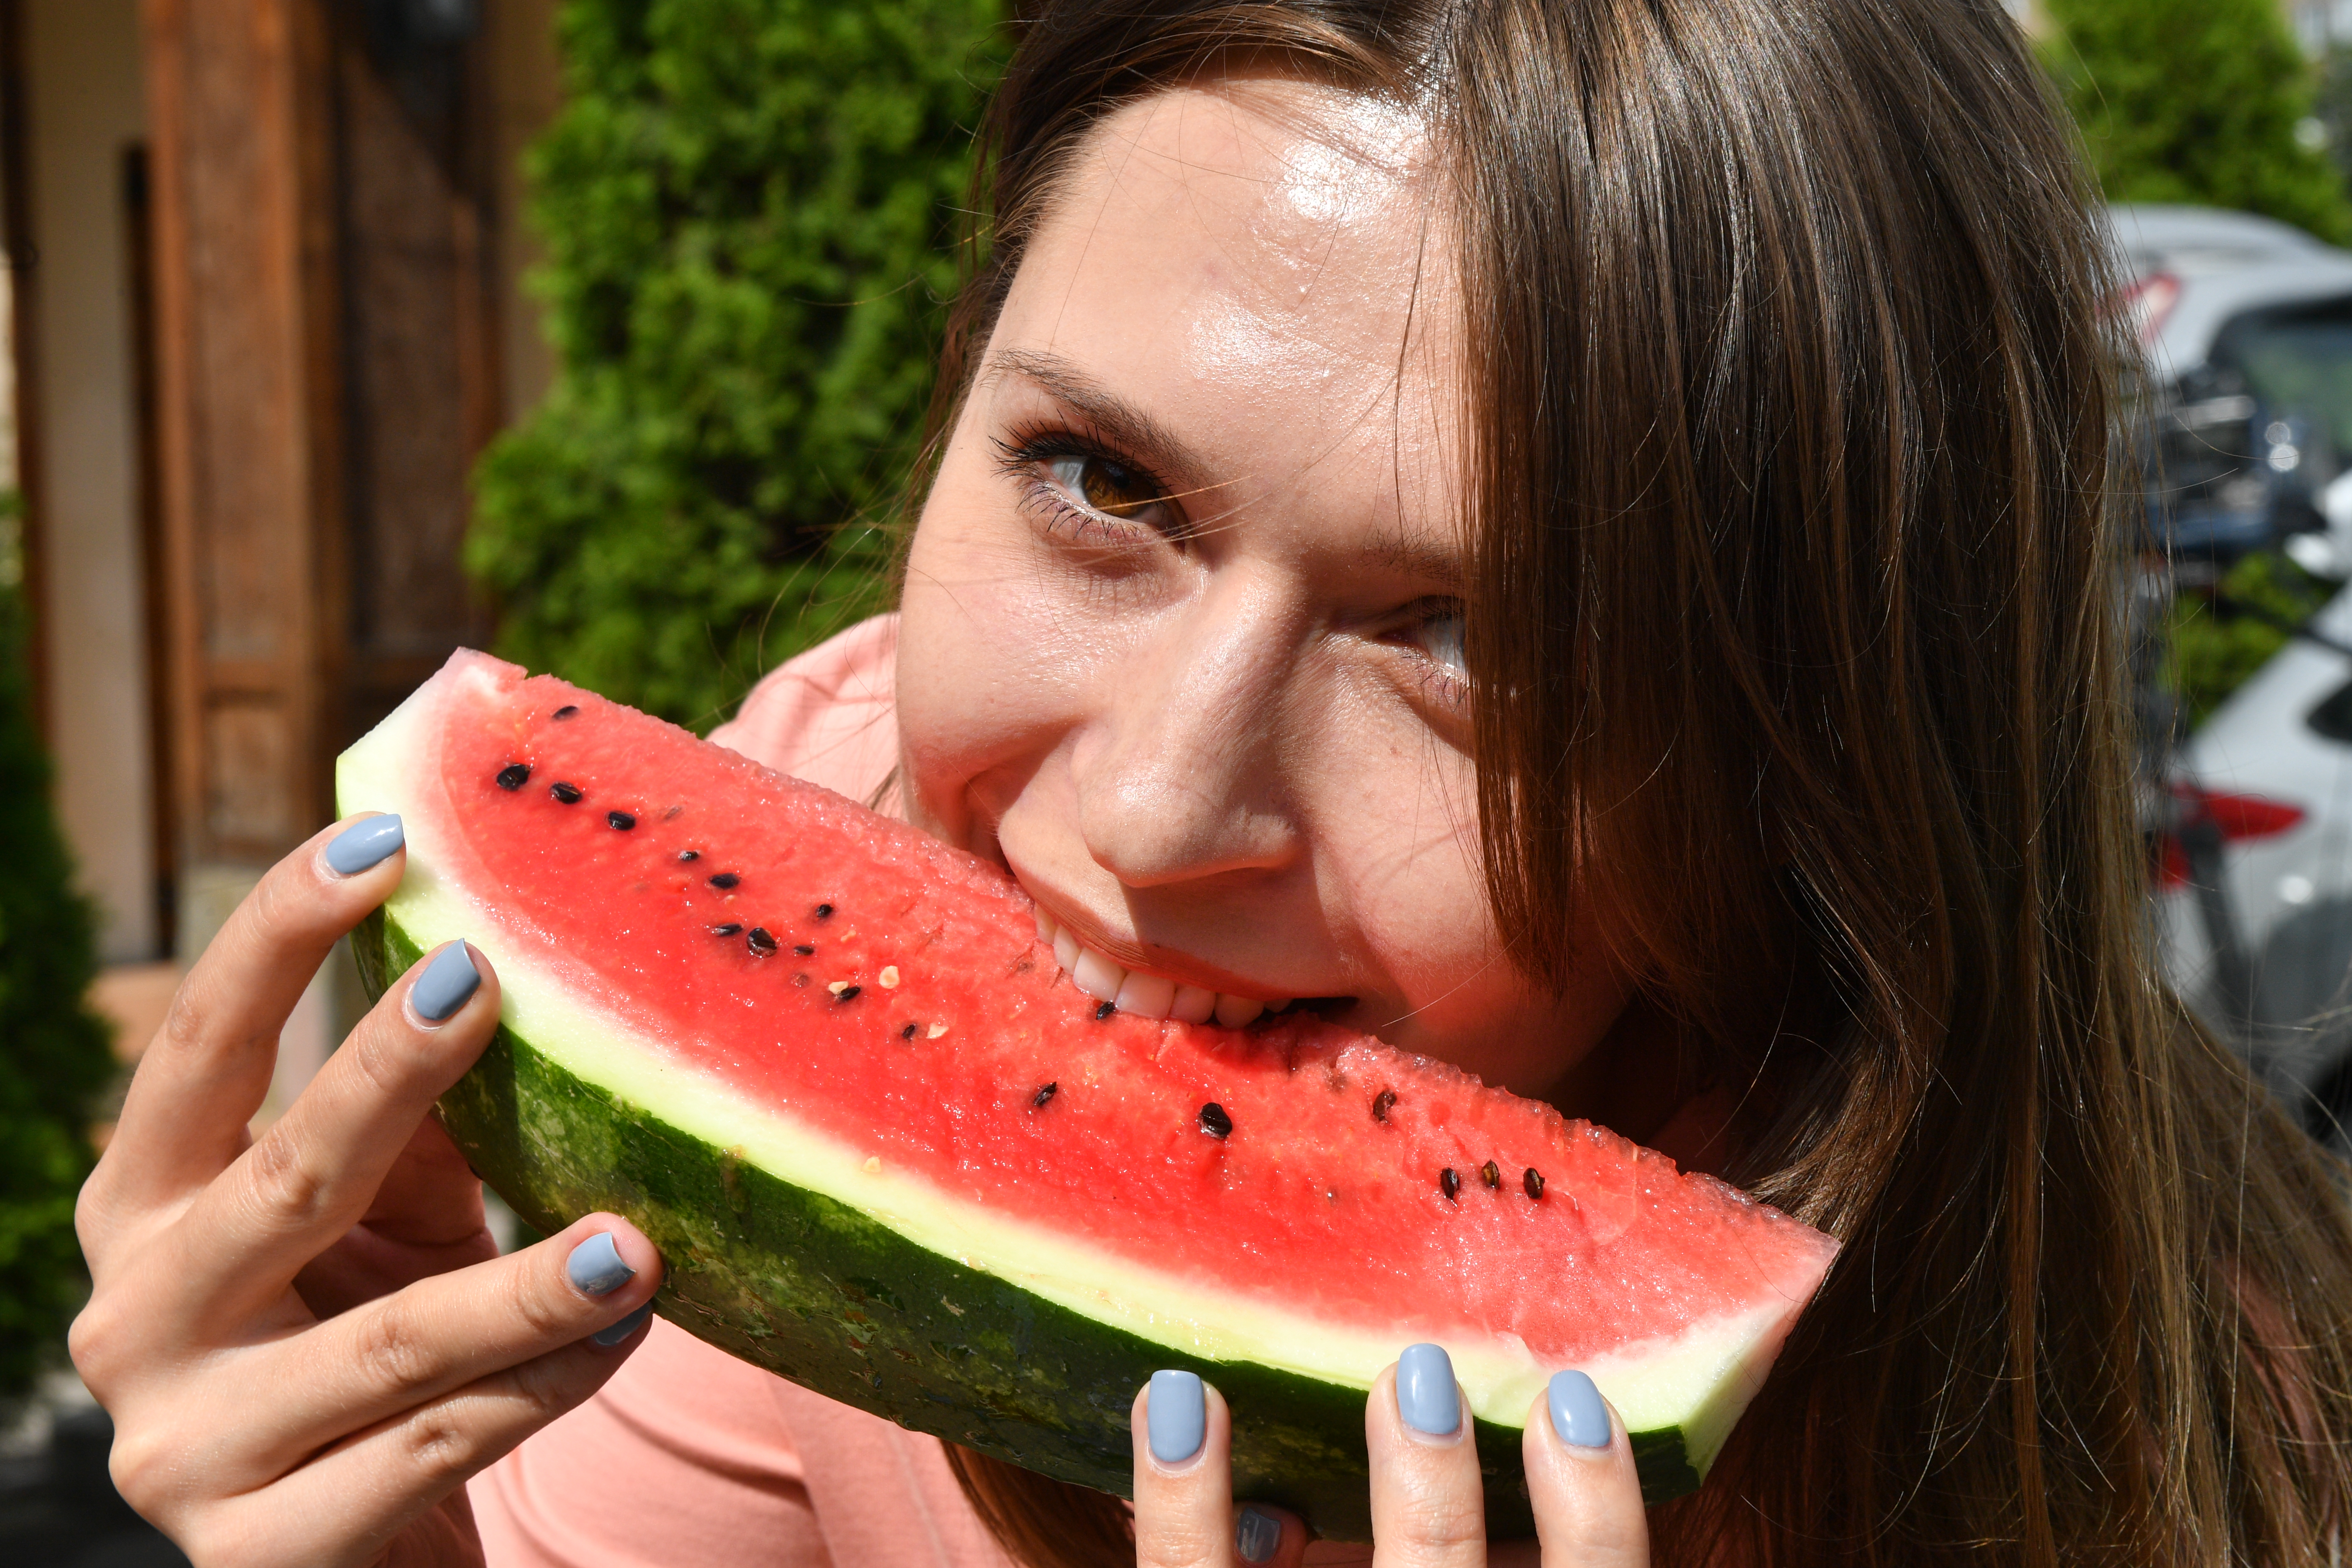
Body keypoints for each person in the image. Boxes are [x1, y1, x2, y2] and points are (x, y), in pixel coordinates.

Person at [67, 0, 2352, 1564]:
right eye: (1101, 483)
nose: (1158, 816)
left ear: (1815, 780)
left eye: (1478, 641)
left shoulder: (2171, 1431)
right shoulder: (825, 794)